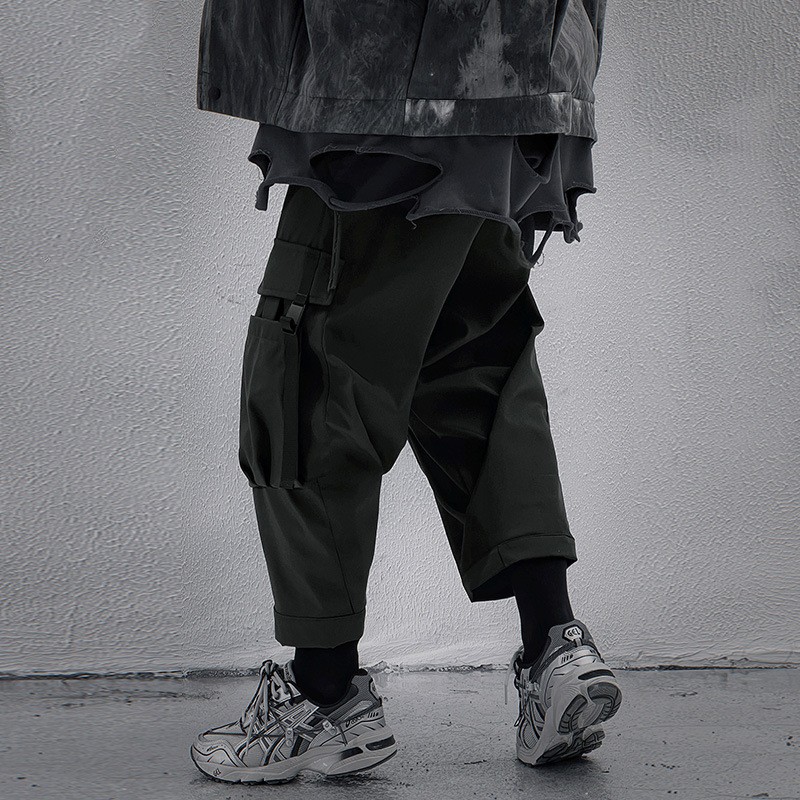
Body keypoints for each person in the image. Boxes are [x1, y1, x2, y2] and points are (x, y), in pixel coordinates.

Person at [189, 0, 622, 784]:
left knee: (309, 366)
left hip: (395, 70)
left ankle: (324, 693)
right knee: (470, 358)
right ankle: (555, 649)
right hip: (524, 69)